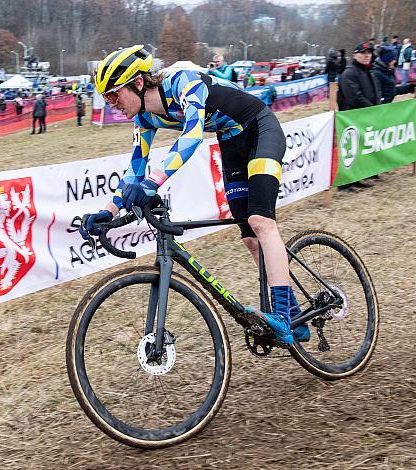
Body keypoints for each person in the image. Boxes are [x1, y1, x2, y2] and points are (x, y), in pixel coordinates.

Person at [79, 45, 308, 347]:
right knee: (250, 238)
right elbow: (135, 169)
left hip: (260, 129)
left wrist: (153, 182)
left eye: (113, 95)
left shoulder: (182, 81)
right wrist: (108, 211)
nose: (112, 105)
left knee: (261, 221)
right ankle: (294, 316)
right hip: (231, 141)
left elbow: (192, 134)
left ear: (137, 83)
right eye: (106, 99)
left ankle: (281, 316)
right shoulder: (145, 119)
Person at [337, 42, 380, 192]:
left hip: (364, 116)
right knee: (349, 151)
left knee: (360, 149)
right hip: (351, 117)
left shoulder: (368, 70)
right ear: (355, 55)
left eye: (369, 53)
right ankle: (344, 183)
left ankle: (356, 178)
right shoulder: (350, 72)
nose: (367, 55)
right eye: (363, 53)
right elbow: (354, 96)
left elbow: (374, 92)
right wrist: (372, 108)